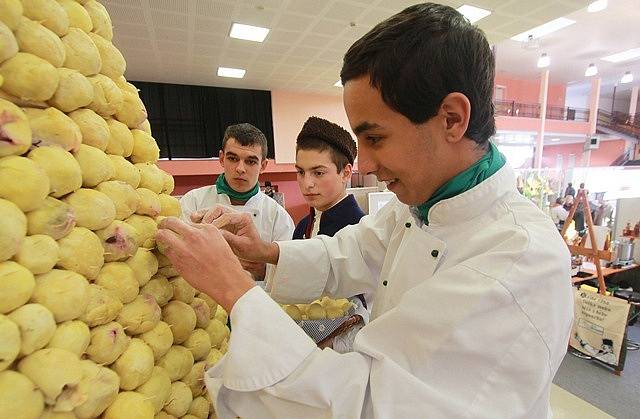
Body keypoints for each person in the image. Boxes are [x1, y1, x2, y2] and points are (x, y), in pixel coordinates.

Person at [157, 4, 573, 417]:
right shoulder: (421, 205)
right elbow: (352, 252)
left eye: (375, 138)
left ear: (451, 118)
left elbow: (367, 404)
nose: (368, 166)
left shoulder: (518, 262)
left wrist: (235, 292)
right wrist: (266, 254)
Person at [179, 123, 294, 279]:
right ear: (221, 158)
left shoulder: (278, 217)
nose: (240, 168)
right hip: (204, 299)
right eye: (233, 158)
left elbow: (289, 272)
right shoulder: (193, 202)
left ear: (263, 165)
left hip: (257, 298)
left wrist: (264, 271)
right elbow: (178, 257)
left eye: (251, 161)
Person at [293, 116, 364, 240]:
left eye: (318, 173)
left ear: (345, 173)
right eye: (301, 172)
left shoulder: (360, 231)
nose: (307, 184)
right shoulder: (302, 227)